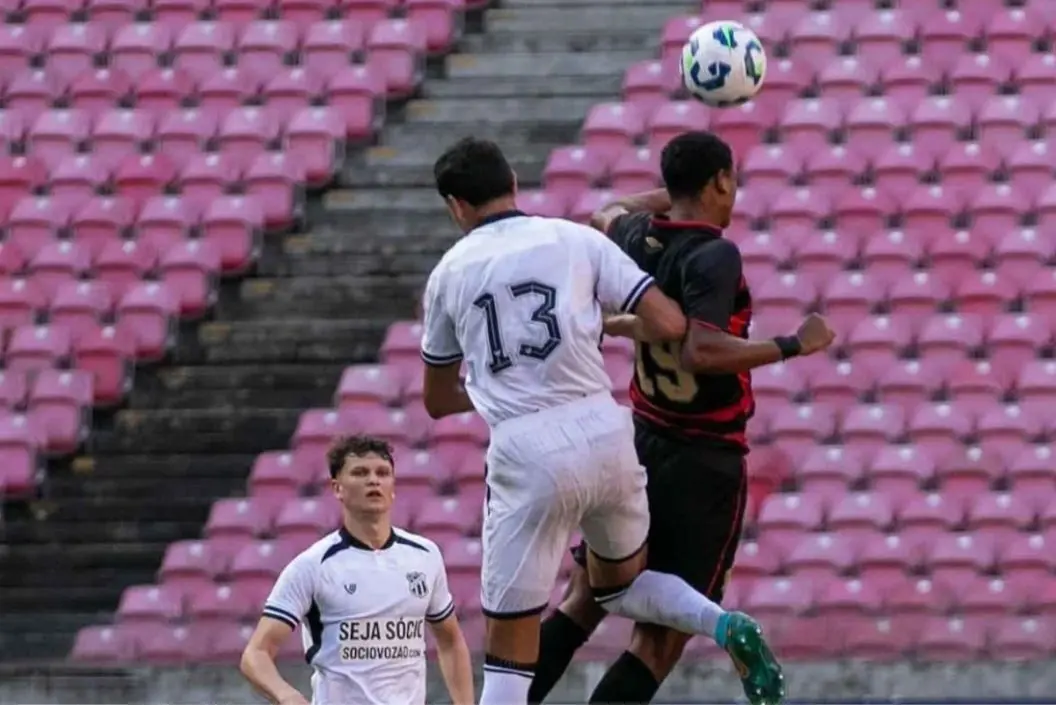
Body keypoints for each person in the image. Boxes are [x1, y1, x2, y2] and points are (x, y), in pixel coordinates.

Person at [420, 136, 782, 705]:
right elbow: (671, 325)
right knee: (629, 602)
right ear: (513, 182)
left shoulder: (449, 273)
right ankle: (720, 623)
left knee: (522, 640)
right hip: (613, 434)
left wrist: (499, 386)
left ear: (456, 206)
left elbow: (438, 400)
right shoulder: (577, 240)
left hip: (546, 446)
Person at [527, 130, 836, 705]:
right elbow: (703, 351)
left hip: (639, 443)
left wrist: (668, 195)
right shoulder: (714, 254)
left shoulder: (633, 235)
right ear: (720, 181)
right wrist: (794, 344)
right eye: (731, 179)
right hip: (704, 460)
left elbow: (606, 211)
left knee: (582, 600)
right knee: (657, 641)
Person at [240, 435, 475, 705]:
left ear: (393, 486)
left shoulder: (425, 556)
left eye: (382, 473)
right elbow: (255, 654)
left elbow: (451, 641)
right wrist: (287, 696)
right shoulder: (312, 566)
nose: (373, 480)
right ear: (337, 488)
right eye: (360, 473)